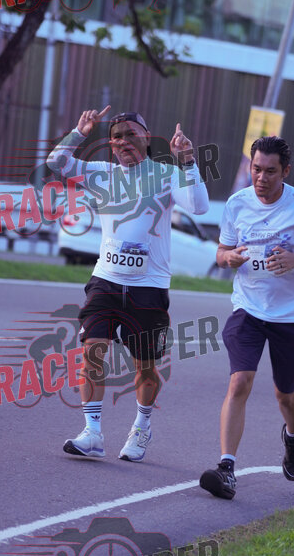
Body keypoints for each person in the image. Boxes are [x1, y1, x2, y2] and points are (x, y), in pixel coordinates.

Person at [47, 106, 209, 461]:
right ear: (111, 143)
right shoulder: (101, 173)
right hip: (105, 279)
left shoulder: (166, 174)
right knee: (92, 352)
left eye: (131, 134)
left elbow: (199, 206)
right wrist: (80, 132)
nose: (123, 141)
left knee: (144, 367)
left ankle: (141, 426)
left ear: (146, 138)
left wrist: (187, 161)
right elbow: (56, 162)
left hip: (148, 286)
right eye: (117, 136)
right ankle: (92, 433)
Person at [199, 135, 294, 499]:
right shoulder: (237, 203)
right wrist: (228, 258)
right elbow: (221, 251)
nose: (261, 178)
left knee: (285, 395)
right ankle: (226, 468)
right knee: (239, 382)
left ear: (285, 172)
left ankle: (292, 438)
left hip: (293, 315)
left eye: (270, 171)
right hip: (248, 308)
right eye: (256, 169)